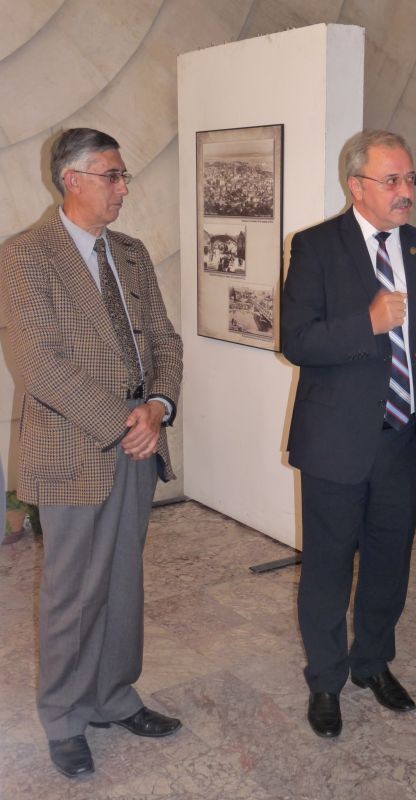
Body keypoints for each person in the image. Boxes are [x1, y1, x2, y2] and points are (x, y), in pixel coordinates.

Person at [0, 128, 183, 777]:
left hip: (139, 443)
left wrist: (157, 407)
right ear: (71, 179)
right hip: (73, 447)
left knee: (123, 582)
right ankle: (65, 717)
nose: (124, 187)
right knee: (72, 594)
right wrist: (123, 422)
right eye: (113, 175)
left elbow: (164, 338)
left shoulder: (131, 253)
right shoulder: (25, 256)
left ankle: (112, 697)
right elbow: (39, 365)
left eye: (123, 175)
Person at [282, 130, 416, 738]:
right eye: (391, 180)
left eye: (410, 178)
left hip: (402, 439)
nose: (405, 190)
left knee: (389, 563)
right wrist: (368, 321)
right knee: (328, 566)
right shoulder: (315, 247)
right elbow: (297, 340)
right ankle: (325, 681)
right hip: (336, 443)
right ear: (356, 185)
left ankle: (372, 664)